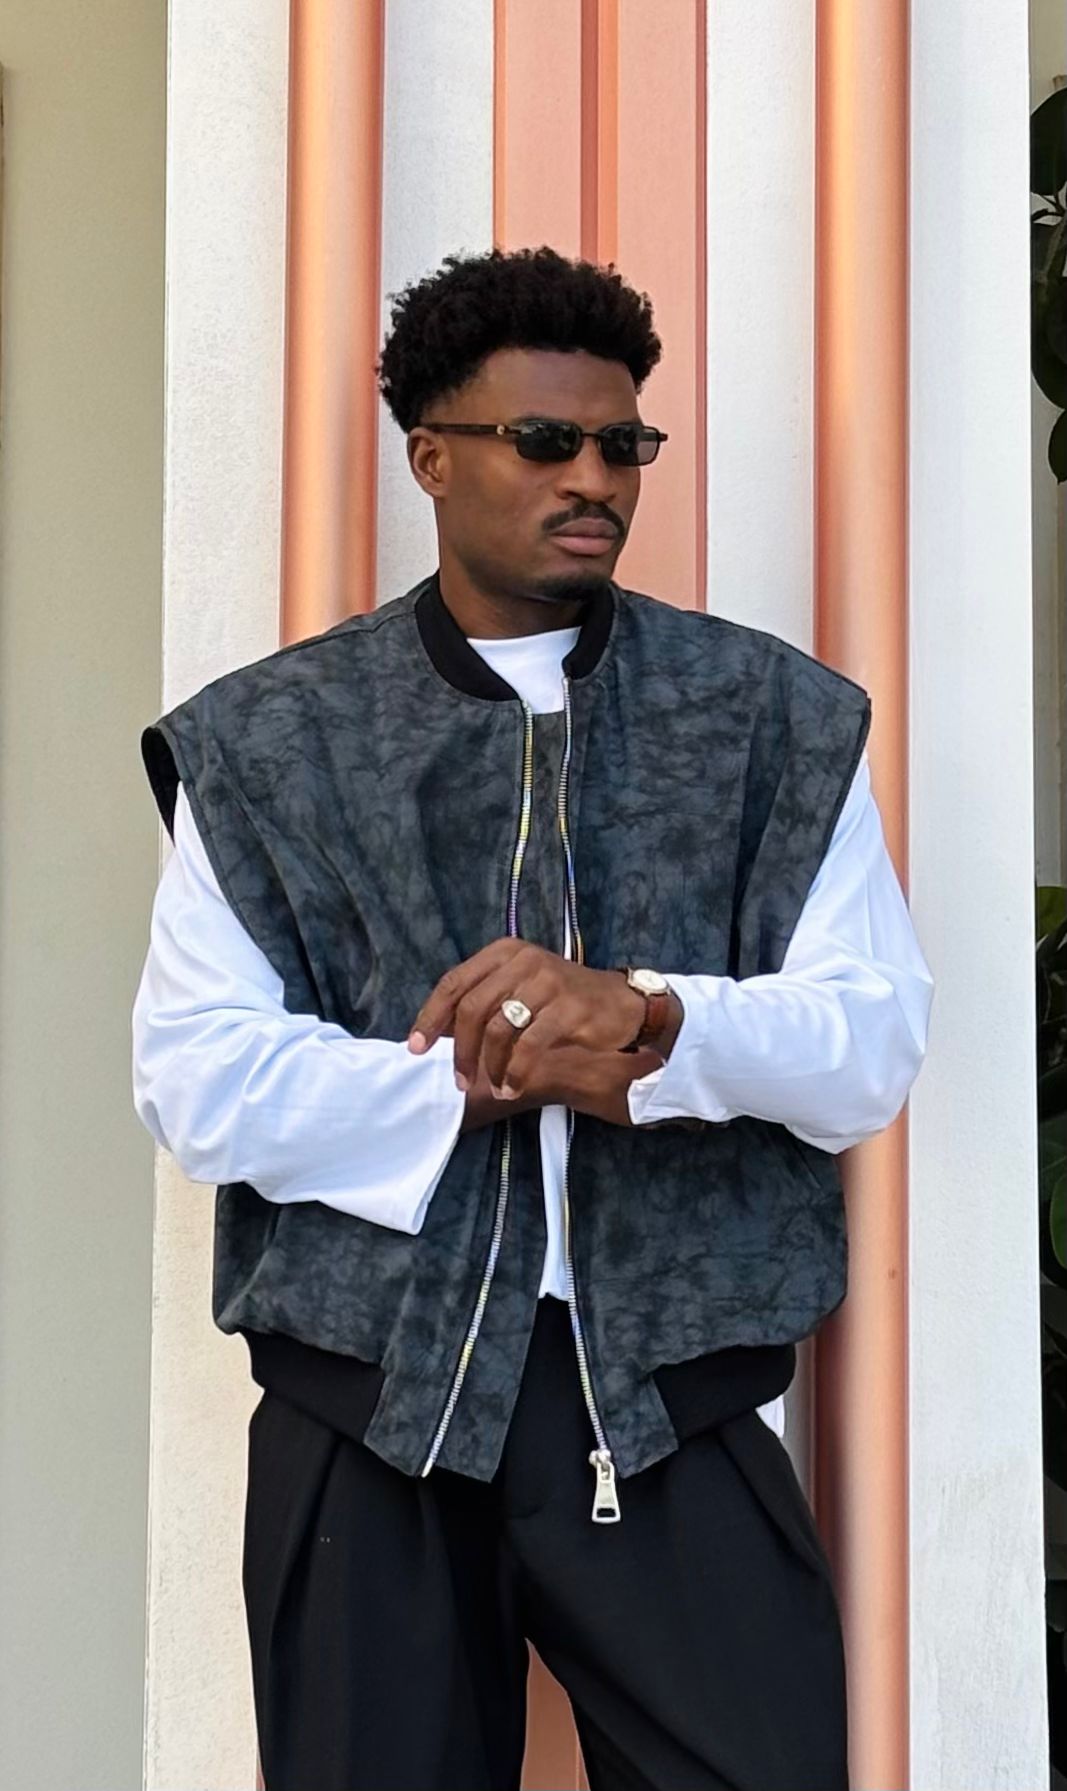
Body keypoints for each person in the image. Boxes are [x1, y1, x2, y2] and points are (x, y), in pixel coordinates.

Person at [132, 245, 933, 1791]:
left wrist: (651, 1026)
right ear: (431, 458)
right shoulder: (273, 741)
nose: (595, 479)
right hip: (368, 1405)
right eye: (546, 440)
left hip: (671, 1401)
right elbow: (195, 1079)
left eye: (624, 444)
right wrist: (472, 1079)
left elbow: (869, 1042)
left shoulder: (769, 718)